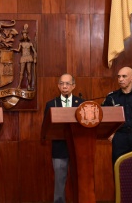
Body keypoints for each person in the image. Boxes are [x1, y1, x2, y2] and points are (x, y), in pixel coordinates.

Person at [44, 74, 84, 203]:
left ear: (73, 86)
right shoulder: (51, 104)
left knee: (79, 180)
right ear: (58, 86)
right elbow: (46, 126)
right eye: (62, 83)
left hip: (78, 147)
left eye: (67, 84)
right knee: (59, 181)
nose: (64, 86)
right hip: (59, 148)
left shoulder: (82, 103)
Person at [13, 24, 37, 90]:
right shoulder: (21, 44)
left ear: (27, 35)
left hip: (29, 57)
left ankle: (29, 85)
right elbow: (18, 50)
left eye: (25, 34)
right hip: (23, 58)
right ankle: (19, 85)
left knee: (29, 72)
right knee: (22, 72)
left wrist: (35, 58)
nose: (24, 36)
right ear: (22, 36)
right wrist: (13, 49)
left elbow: (34, 52)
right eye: (23, 35)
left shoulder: (30, 44)